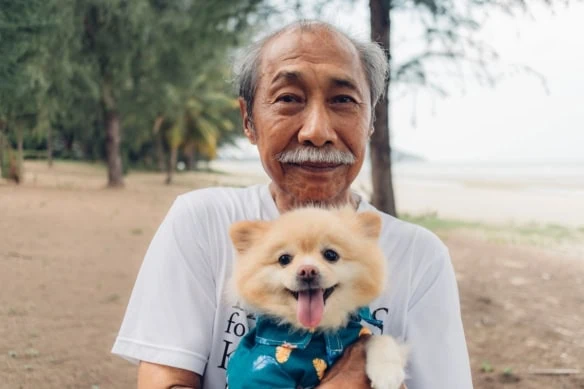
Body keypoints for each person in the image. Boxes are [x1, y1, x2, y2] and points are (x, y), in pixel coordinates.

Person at [112, 20, 473, 389]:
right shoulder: (202, 221)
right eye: (289, 99)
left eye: (342, 100)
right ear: (248, 121)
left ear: (370, 122)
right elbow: (165, 380)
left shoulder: (420, 256)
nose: (316, 131)